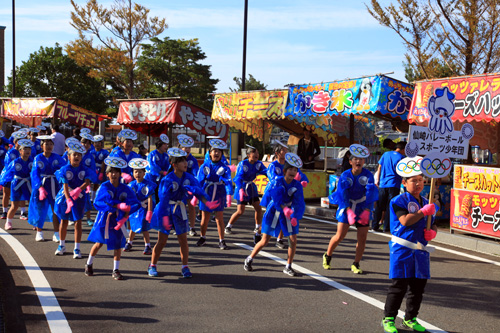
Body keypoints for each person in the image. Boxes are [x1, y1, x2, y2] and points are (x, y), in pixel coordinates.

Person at [381, 156, 438, 333]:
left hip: (420, 250)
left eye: (421, 180)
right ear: (405, 182)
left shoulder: (427, 202)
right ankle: (388, 319)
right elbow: (405, 220)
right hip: (402, 249)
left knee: (418, 287)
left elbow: (432, 222)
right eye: (414, 181)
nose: (419, 184)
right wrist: (422, 212)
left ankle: (410, 318)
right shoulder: (398, 201)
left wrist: (433, 231)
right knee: (398, 286)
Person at [148, 148, 219, 277]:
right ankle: (152, 265)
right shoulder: (167, 179)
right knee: (162, 241)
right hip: (166, 211)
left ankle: (185, 267)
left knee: (183, 240)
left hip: (180, 210)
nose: (185, 164)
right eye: (181, 162)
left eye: (185, 161)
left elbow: (198, 190)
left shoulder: (189, 177)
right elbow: (163, 199)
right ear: (174, 165)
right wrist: (164, 218)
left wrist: (207, 202)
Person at [243, 153, 305, 276]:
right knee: (265, 240)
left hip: (288, 213)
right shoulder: (277, 181)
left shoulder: (297, 185)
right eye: (290, 169)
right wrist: (284, 208)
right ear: (285, 171)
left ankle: (288, 266)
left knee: (293, 240)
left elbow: (299, 202)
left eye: (295, 170)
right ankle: (249, 258)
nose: (292, 172)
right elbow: (276, 199)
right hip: (274, 212)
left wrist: (295, 215)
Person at [323, 144, 378, 274]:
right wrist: (347, 209)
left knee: (362, 238)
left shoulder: (368, 175)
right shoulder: (345, 175)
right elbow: (342, 193)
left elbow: (371, 192)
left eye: (361, 159)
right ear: (350, 161)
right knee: (340, 235)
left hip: (362, 206)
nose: (358, 161)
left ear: (364, 161)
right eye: (355, 159)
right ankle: (328, 255)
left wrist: (367, 210)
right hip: (347, 205)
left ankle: (356, 263)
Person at [86, 156, 140, 280]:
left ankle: (116, 270)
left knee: (118, 244)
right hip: (104, 218)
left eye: (117, 172)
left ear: (120, 174)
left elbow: (134, 202)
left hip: (118, 219)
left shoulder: (125, 188)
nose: (114, 174)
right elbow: (100, 201)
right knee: (99, 242)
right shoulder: (104, 186)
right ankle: (89, 263)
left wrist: (126, 211)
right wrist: (117, 204)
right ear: (107, 174)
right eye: (111, 172)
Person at [262, 142, 308, 248]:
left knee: (285, 215)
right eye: (283, 150)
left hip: (287, 195)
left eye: (286, 150)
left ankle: (279, 239)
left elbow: (300, 174)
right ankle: (260, 231)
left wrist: (302, 181)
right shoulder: (273, 165)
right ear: (277, 153)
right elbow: (273, 179)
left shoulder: (289, 164)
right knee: (270, 216)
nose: (285, 152)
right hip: (274, 194)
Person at [54, 141, 97, 258]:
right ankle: (61, 245)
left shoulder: (84, 169)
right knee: (64, 221)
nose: (77, 157)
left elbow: (87, 181)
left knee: (78, 222)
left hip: (80, 198)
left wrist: (78, 190)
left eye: (79, 155)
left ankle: (77, 248)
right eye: (74, 154)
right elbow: (65, 186)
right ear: (69, 156)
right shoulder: (64, 169)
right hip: (65, 197)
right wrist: (68, 200)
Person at [195, 139, 233, 249]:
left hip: (219, 193)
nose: (216, 153)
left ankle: (222, 240)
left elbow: (228, 181)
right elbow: (199, 180)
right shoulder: (205, 166)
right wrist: (196, 194)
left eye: (219, 151)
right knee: (204, 218)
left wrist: (229, 194)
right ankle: (202, 237)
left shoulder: (225, 167)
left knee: (219, 218)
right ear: (210, 153)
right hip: (207, 192)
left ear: (221, 154)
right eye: (214, 151)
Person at [28, 135, 66, 242]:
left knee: (56, 210)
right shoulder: (38, 158)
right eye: (46, 144)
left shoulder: (57, 158)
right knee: (40, 209)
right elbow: (34, 174)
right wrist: (40, 187)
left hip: (54, 186)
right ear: (41, 146)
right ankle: (39, 232)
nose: (49, 146)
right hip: (42, 186)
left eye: (50, 144)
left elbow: (63, 170)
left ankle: (56, 233)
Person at [226, 145, 267, 238]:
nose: (257, 155)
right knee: (240, 211)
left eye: (257, 153)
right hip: (242, 187)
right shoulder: (242, 164)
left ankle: (257, 227)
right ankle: (228, 226)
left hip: (251, 187)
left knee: (258, 208)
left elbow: (267, 171)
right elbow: (237, 178)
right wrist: (240, 188)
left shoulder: (259, 164)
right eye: (254, 153)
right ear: (248, 155)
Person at [0, 139, 34, 230]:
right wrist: (3, 182)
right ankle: (8, 222)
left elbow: (35, 173)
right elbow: (8, 173)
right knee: (14, 205)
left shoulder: (32, 161)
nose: (27, 151)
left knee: (32, 203)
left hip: (28, 183)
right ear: (20, 151)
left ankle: (35, 223)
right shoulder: (15, 162)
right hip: (17, 184)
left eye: (29, 149)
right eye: (25, 149)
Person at [124, 158, 156, 255]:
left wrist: (150, 211)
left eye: (140, 172)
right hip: (135, 208)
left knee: (144, 227)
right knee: (133, 226)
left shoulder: (148, 184)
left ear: (144, 173)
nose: (137, 174)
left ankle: (148, 245)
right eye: (135, 171)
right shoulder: (131, 185)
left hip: (145, 208)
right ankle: (130, 242)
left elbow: (150, 198)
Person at [373, 141, 406, 232]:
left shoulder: (386, 154)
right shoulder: (402, 158)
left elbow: (379, 167)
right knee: (390, 206)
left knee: (379, 205)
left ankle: (375, 225)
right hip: (394, 184)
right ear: (403, 149)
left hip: (383, 183)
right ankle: (386, 227)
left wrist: (378, 180)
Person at [177, 134, 200, 237]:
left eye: (189, 147)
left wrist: (195, 184)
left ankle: (192, 227)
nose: (187, 149)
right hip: (178, 186)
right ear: (180, 148)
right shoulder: (176, 158)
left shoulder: (193, 160)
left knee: (191, 206)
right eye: (185, 147)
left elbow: (196, 173)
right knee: (178, 206)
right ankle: (178, 226)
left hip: (189, 186)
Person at [2, 132, 25, 220]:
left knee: (23, 193)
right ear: (15, 142)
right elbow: (9, 165)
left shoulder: (26, 151)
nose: (21, 143)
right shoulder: (10, 153)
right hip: (9, 176)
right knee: (6, 193)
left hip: (21, 176)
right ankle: (5, 211)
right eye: (19, 141)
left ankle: (23, 212)